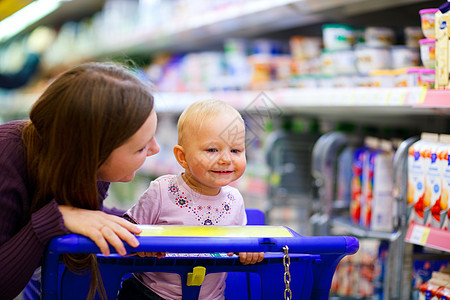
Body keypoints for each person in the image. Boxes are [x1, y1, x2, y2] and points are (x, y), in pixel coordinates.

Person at [0, 61, 160, 300]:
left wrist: (145, 222)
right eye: (140, 148)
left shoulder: (83, 166)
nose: (156, 149)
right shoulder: (6, 159)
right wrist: (55, 218)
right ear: (93, 154)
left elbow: (88, 216)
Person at [118, 99, 264, 300]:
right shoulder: (162, 191)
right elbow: (125, 233)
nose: (226, 159)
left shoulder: (235, 200)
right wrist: (140, 246)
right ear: (182, 157)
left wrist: (249, 252)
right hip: (151, 294)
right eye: (212, 150)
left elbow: (239, 245)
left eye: (236, 150)